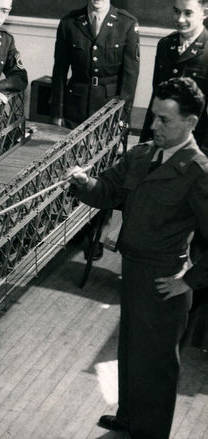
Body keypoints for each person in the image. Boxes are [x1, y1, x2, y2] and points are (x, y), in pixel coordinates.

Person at [65, 77, 208, 439]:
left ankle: (149, 433)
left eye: (165, 120)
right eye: (154, 116)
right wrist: (84, 183)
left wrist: (188, 281)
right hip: (132, 271)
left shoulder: (197, 172)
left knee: (156, 366)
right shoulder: (142, 154)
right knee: (130, 352)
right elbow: (109, 190)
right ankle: (129, 418)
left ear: (190, 123)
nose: (154, 125)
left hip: (163, 281)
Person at [50, 0, 140, 128]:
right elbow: (59, 71)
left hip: (109, 111)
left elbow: (130, 76)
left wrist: (122, 115)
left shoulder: (127, 24)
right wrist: (57, 113)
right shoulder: (69, 22)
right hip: (75, 110)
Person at [141, 0, 208, 150]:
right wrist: (146, 139)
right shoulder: (165, 44)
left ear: (204, 13)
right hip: (160, 140)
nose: (180, 19)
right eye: (176, 11)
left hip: (192, 145)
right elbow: (156, 96)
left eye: (188, 13)